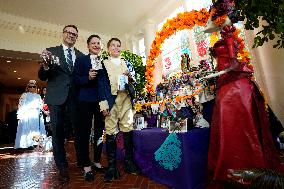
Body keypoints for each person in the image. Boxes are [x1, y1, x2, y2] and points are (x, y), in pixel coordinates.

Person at [201, 0, 284, 182]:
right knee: (233, 124)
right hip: (230, 84)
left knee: (236, 123)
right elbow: (207, 29)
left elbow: (233, 64)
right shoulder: (225, 34)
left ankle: (244, 164)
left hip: (234, 85)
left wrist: (214, 75)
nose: (213, 20)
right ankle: (237, 164)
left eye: (216, 16)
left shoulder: (229, 37)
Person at [38, 25, 83, 182]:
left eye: (74, 34)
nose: (71, 35)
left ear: (76, 37)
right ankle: (62, 166)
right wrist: (45, 65)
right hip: (56, 98)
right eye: (69, 33)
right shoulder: (51, 52)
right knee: (57, 133)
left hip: (75, 99)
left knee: (78, 132)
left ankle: (82, 162)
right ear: (63, 34)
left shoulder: (81, 55)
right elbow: (42, 76)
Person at [98, 38, 139, 182]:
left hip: (126, 99)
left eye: (118, 45)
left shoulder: (127, 63)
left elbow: (135, 80)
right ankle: (111, 166)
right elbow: (101, 86)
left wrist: (131, 77)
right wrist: (103, 106)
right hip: (111, 102)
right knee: (110, 132)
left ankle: (128, 162)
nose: (116, 48)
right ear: (108, 48)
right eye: (113, 45)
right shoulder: (103, 64)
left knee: (128, 130)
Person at [73, 34, 105, 181]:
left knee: (99, 133)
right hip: (85, 101)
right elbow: (76, 80)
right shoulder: (81, 60)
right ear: (88, 45)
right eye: (93, 43)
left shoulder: (104, 61)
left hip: (100, 102)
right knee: (84, 133)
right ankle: (86, 165)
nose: (96, 45)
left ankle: (97, 161)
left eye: (98, 43)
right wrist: (87, 77)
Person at [14, 80, 46, 149]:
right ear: (28, 87)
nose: (32, 88)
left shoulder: (38, 96)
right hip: (27, 114)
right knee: (27, 129)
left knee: (35, 129)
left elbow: (41, 105)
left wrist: (45, 111)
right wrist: (20, 114)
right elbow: (20, 104)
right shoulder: (24, 95)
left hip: (36, 115)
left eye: (33, 86)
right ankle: (27, 144)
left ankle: (35, 142)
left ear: (35, 87)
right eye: (30, 86)